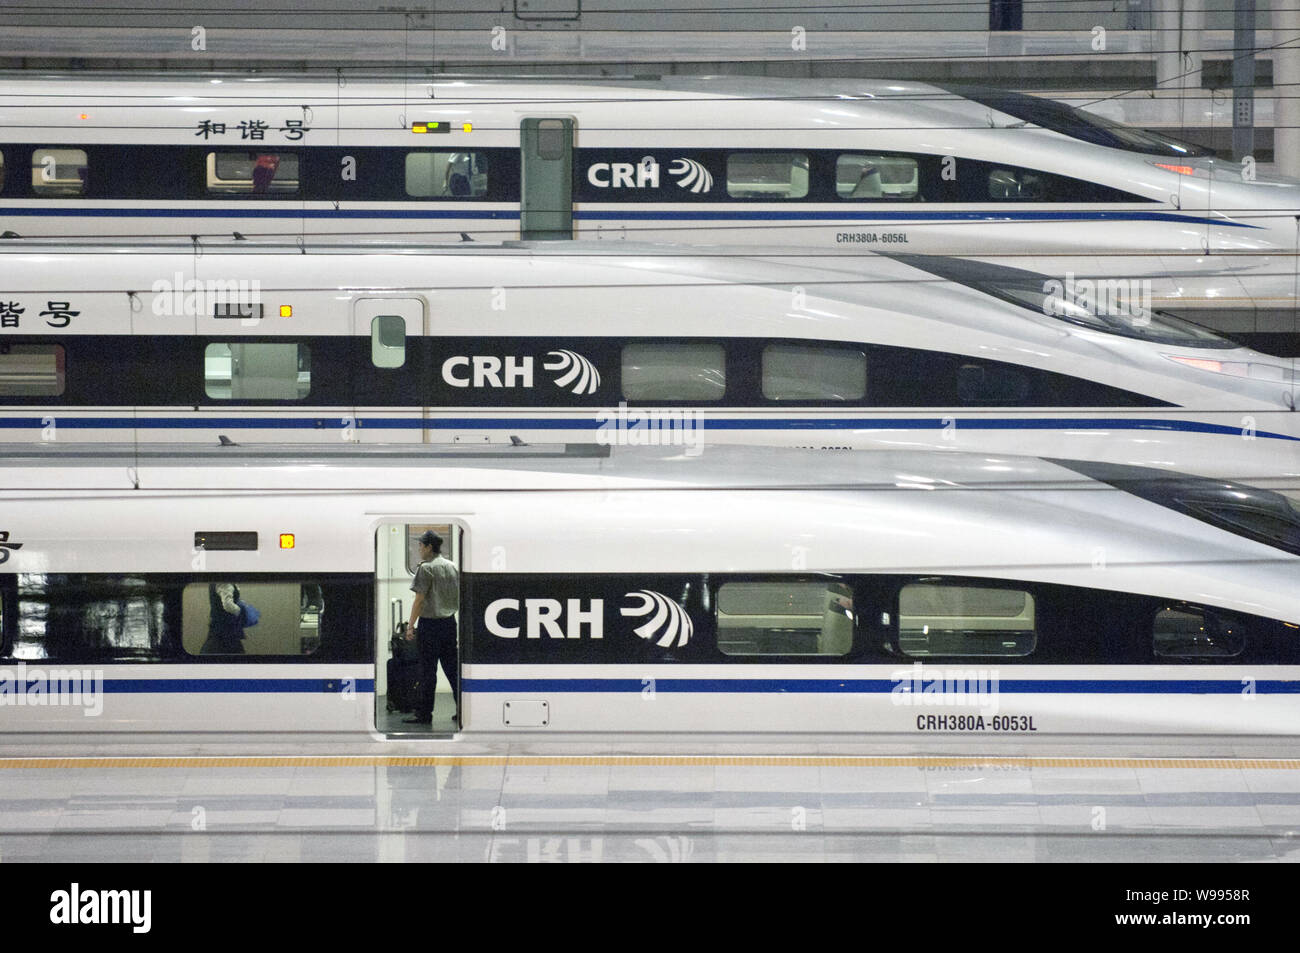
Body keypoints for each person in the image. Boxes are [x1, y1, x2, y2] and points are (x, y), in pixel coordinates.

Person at [405, 529, 460, 725]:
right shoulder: (452, 567)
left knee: (427, 672)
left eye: (420, 545)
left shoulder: (425, 568)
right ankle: (462, 710)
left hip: (429, 626)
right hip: (449, 624)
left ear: (429, 547)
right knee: (452, 670)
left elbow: (419, 600)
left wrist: (410, 626)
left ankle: (424, 714)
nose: (419, 549)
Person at [201, 582, 245, 654]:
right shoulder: (224, 582)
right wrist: (241, 611)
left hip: (222, 625)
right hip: (225, 626)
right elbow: (227, 605)